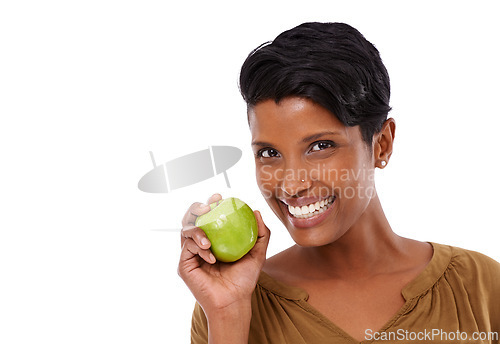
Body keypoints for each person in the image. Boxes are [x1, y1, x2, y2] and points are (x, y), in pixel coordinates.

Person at [178, 22, 500, 343]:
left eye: (320, 146)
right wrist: (228, 314)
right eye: (269, 152)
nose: (292, 185)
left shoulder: (481, 288)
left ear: (382, 144)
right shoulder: (228, 306)